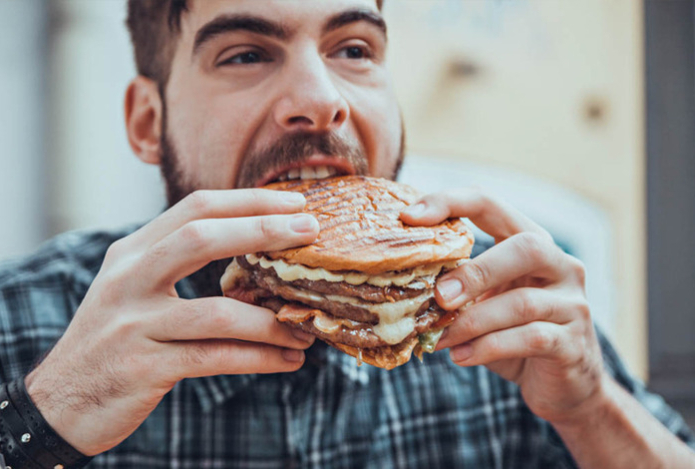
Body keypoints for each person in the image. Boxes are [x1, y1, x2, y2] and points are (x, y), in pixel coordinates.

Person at [0, 1, 693, 468]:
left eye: (354, 49)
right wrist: (41, 420)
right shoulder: (23, 322)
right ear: (148, 122)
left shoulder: (506, 311)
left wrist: (591, 408)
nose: (319, 99)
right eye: (245, 55)